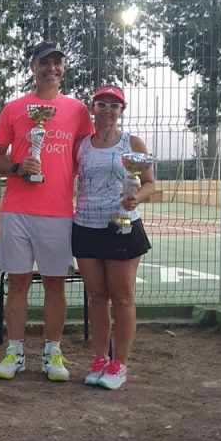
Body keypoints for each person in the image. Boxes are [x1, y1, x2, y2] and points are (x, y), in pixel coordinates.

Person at [0, 41, 93, 382]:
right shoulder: (14, 108)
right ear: (32, 66)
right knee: (18, 282)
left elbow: (86, 157)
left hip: (58, 212)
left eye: (57, 62)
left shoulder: (78, 111)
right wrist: (17, 168)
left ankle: (52, 353)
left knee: (54, 285)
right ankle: (15, 353)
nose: (51, 68)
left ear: (63, 68)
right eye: (44, 62)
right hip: (17, 210)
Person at [72, 84, 155, 390]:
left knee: (122, 297)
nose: (107, 110)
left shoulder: (131, 143)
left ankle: (119, 363)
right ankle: (100, 359)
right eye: (102, 104)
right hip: (85, 226)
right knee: (96, 298)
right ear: (92, 108)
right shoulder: (82, 145)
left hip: (122, 227)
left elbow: (149, 182)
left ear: (122, 110)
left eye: (114, 105)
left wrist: (136, 198)